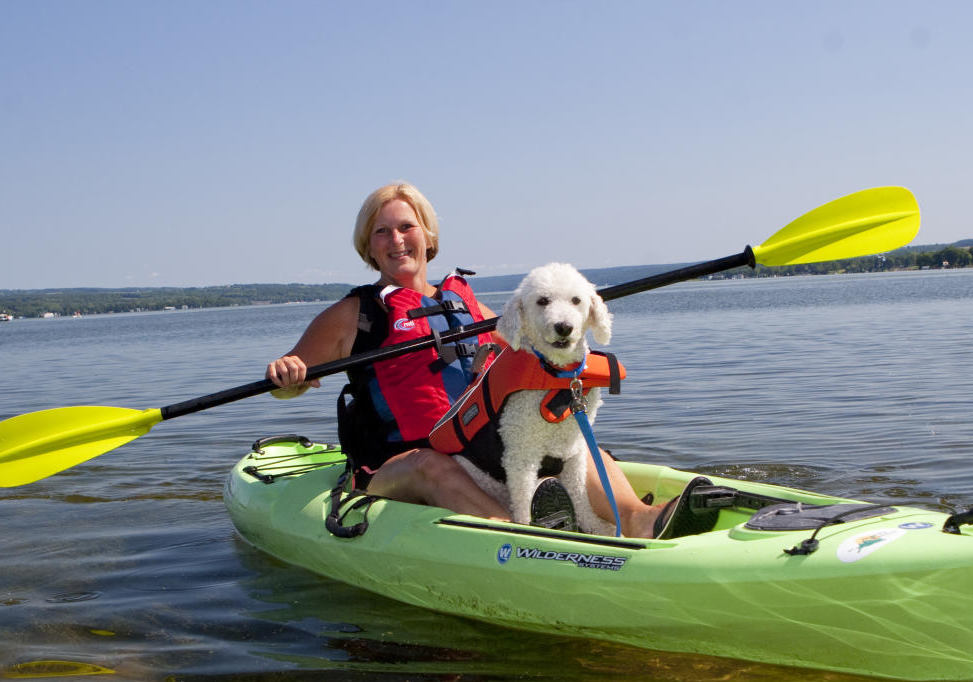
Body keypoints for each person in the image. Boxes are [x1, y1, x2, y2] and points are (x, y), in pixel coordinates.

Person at [266, 182, 710, 539]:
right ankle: (517, 536)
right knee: (430, 464)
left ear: (428, 235)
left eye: (406, 227)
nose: (396, 240)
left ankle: (638, 519)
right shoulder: (353, 315)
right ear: (369, 244)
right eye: (382, 231)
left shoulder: (467, 307)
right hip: (395, 468)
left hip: (474, 451)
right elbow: (290, 381)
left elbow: (521, 350)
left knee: (570, 441)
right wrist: (287, 375)